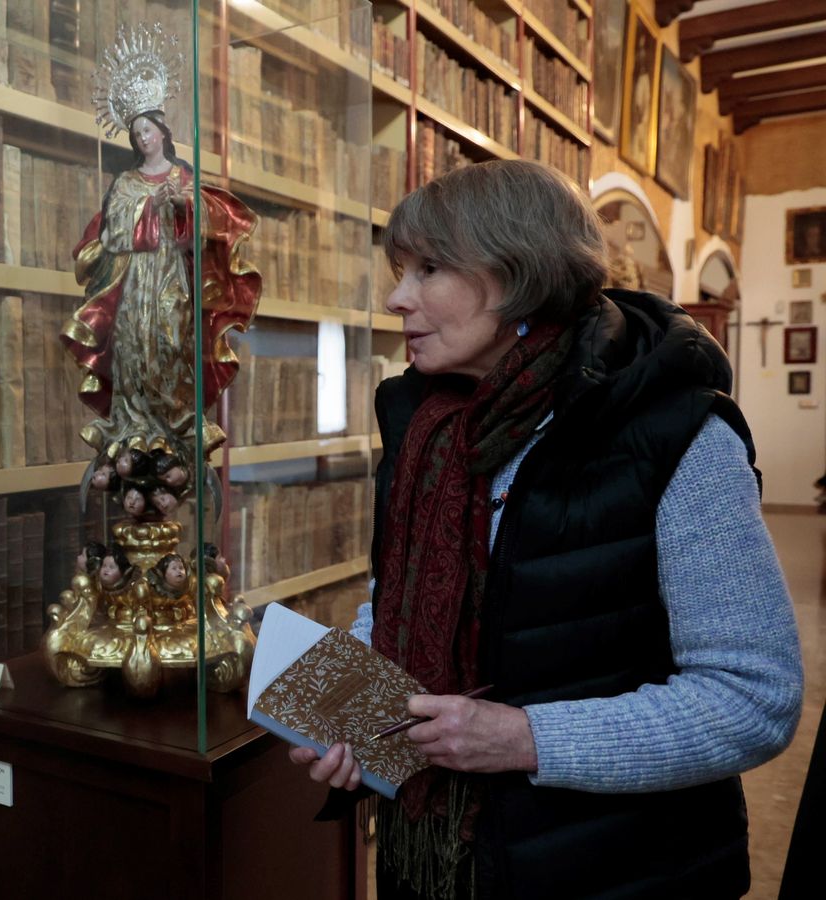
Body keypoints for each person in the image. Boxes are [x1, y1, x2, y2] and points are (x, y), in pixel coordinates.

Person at [287, 161, 802, 899]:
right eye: (400, 270)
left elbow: (755, 698)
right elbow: (392, 601)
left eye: (429, 269)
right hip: (436, 864)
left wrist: (526, 739)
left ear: (518, 274)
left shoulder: (677, 432)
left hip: (620, 871)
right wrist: (352, 718)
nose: (398, 299)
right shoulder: (422, 425)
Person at [61, 107, 260, 459]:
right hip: (135, 281)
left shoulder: (182, 177)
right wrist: (150, 205)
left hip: (171, 277)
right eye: (137, 133)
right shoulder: (125, 182)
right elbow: (113, 230)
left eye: (148, 130)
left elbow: (206, 227)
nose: (143, 138)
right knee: (132, 345)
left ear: (163, 134)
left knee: (171, 343)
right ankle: (133, 424)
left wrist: (184, 204)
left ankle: (174, 421)